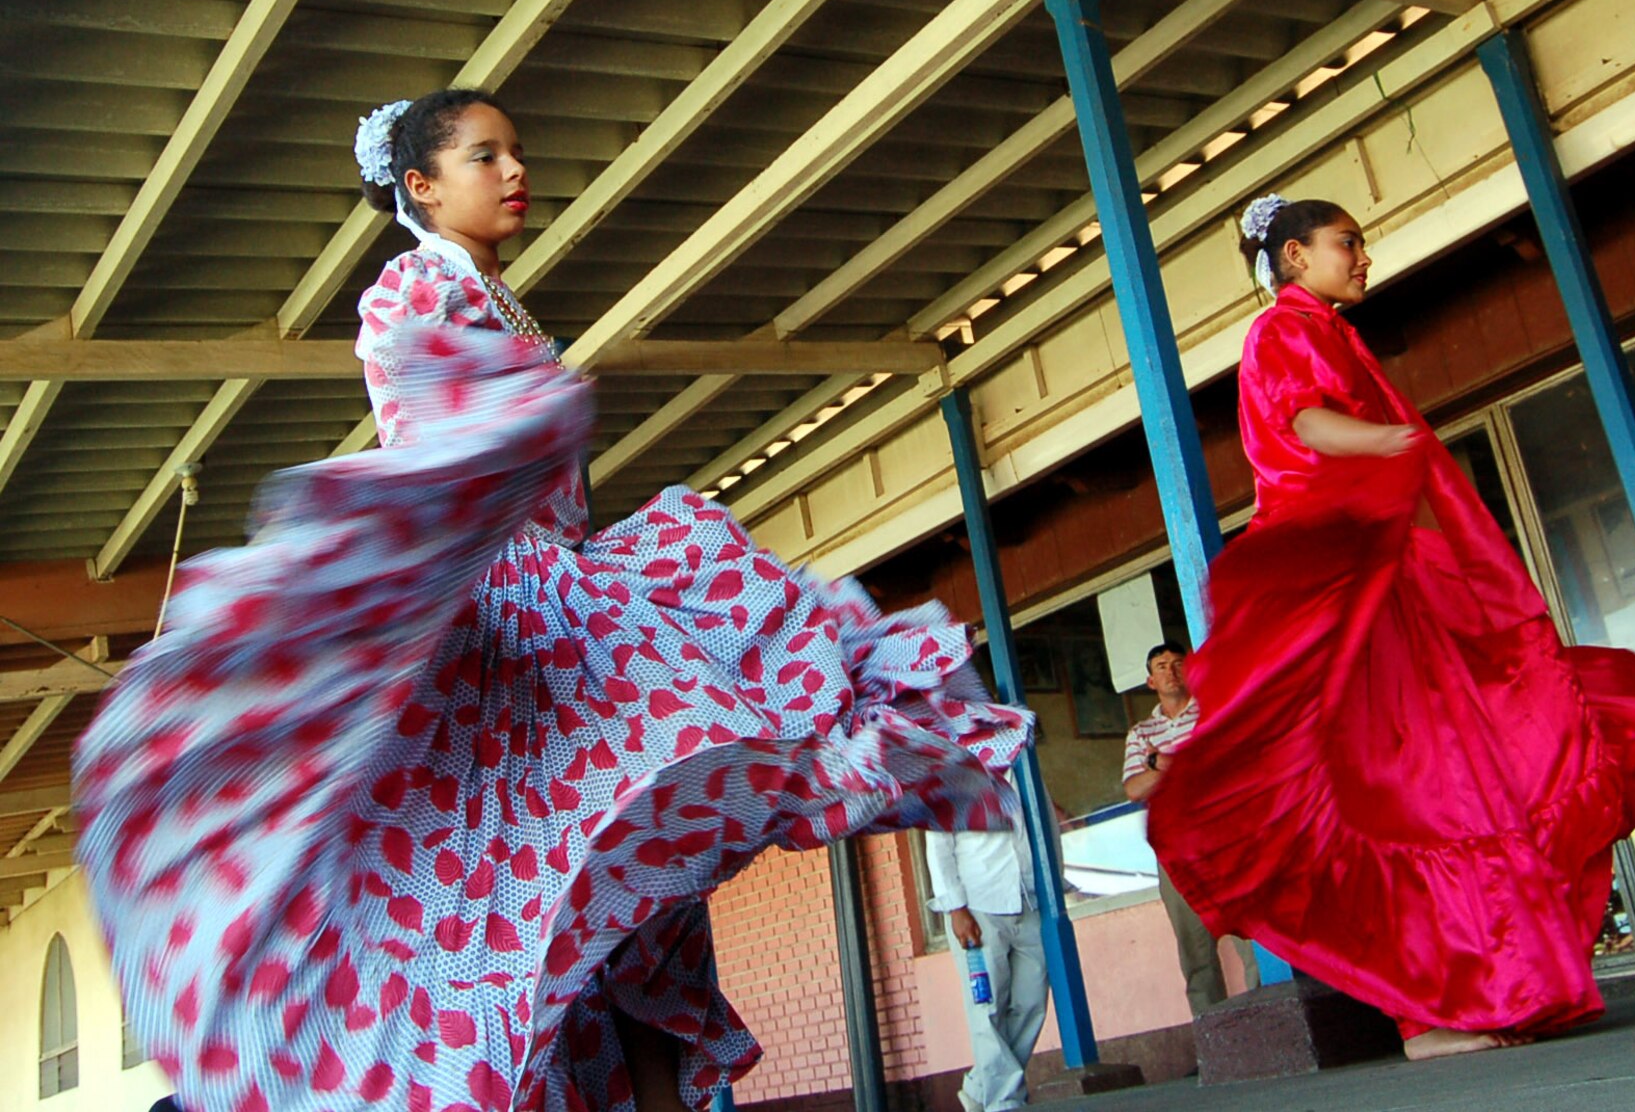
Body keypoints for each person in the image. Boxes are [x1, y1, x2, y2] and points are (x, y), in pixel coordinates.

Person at [72, 89, 1031, 1112]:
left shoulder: (496, 294)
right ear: (421, 186)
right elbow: (439, 431)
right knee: (536, 893)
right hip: (505, 629)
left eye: (517, 151)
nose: (516, 171)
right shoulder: (410, 289)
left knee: (636, 885)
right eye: (485, 156)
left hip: (570, 603)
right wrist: (535, 416)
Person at [1146, 194, 1635, 1061]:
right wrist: (1395, 450)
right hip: (1365, 586)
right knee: (1416, 791)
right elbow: (1303, 423)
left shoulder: (1324, 327)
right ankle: (1431, 1017)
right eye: (1346, 243)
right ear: (1293, 258)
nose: (1364, 257)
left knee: (1450, 783)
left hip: (1395, 583)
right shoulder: (1286, 331)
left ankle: (1485, 994)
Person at [1122, 642, 1260, 1016]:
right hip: (1176, 850)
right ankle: (1215, 1034)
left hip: (1227, 840)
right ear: (1151, 680)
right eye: (1162, 666)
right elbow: (1134, 789)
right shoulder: (1141, 732)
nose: (1171, 671)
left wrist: (1163, 761)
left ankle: (1272, 1022)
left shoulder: (1212, 713)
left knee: (1253, 936)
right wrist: (1167, 766)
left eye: (1178, 663)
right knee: (1195, 950)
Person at [923, 795, 1049, 1112]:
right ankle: (1003, 1100)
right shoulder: (950, 772)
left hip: (1029, 899)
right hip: (979, 907)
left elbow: (1043, 823)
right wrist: (955, 908)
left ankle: (981, 1085)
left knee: (1031, 1002)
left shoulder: (1020, 767)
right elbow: (938, 845)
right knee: (986, 1008)